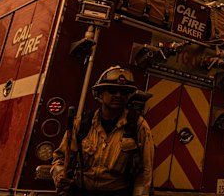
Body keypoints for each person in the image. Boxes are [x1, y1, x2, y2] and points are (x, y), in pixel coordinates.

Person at [52, 66, 155, 196]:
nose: (118, 95)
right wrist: (60, 176)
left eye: (124, 92)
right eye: (112, 90)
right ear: (100, 93)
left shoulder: (138, 126)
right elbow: (60, 158)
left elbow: (145, 172)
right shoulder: (82, 124)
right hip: (81, 191)